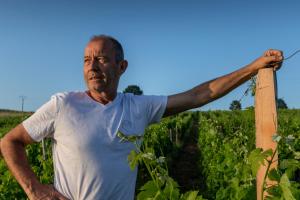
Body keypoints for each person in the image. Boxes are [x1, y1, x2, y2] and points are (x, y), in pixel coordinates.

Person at [0, 35, 283, 200]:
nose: (92, 67)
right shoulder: (63, 105)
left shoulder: (138, 107)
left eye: (102, 59)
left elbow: (200, 95)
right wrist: (33, 188)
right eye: (87, 60)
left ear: (122, 66)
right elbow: (10, 141)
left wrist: (254, 67)